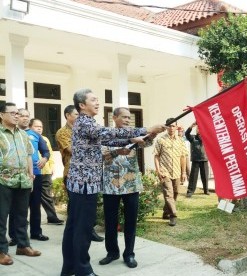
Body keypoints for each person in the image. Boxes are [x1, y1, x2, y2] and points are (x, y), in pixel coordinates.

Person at [60, 89, 165, 276]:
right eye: (93, 100)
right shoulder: (84, 122)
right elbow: (107, 133)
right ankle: (83, 270)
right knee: (82, 229)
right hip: (85, 184)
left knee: (74, 227)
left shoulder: (87, 123)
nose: (98, 102)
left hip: (84, 184)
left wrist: (133, 138)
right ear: (82, 105)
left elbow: (109, 141)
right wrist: (147, 129)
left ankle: (69, 268)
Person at [98, 107, 156, 269]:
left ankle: (129, 254)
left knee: (130, 221)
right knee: (110, 221)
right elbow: (102, 153)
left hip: (131, 185)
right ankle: (112, 252)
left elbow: (147, 143)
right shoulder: (106, 134)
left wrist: (153, 134)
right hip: (111, 185)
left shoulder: (134, 133)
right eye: (123, 117)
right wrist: (125, 145)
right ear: (114, 117)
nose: (127, 120)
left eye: (129, 118)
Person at [55, 105, 104, 242]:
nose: (79, 117)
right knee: (75, 208)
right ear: (67, 115)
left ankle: (89, 231)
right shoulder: (62, 132)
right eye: (76, 114)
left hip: (90, 174)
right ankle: (75, 233)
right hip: (72, 174)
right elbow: (72, 149)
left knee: (89, 207)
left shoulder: (87, 129)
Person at [0, 102, 41, 266]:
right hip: (3, 180)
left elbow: (29, 155)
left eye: (18, 113)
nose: (16, 116)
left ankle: (23, 245)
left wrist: (31, 175)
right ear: (2, 115)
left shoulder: (24, 134)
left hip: (23, 180)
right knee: (1, 217)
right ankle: (2, 251)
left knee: (22, 216)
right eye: (13, 113)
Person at [9, 109, 50, 245]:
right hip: (17, 175)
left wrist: (44, 159)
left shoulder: (35, 135)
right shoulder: (12, 134)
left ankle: (36, 232)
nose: (25, 118)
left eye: (27, 116)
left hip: (35, 174)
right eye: (22, 116)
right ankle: (15, 236)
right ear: (17, 117)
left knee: (35, 204)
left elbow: (45, 151)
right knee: (17, 207)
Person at [154, 118, 188, 227]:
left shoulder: (181, 140)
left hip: (177, 171)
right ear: (166, 127)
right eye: (169, 126)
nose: (171, 128)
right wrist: (158, 170)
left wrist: (183, 172)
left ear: (177, 127)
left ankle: (166, 211)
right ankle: (173, 216)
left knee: (176, 192)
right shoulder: (160, 140)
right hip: (165, 171)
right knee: (169, 193)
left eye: (173, 126)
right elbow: (156, 156)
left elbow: (183, 157)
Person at [29, 118, 64, 225]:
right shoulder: (27, 137)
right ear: (30, 127)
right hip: (33, 172)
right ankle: (23, 219)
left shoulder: (45, 139)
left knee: (47, 196)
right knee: (29, 197)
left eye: (41, 127)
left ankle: (52, 217)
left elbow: (49, 153)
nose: (39, 129)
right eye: (36, 126)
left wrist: (52, 166)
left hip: (46, 171)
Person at [185, 122, 209, 197]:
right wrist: (191, 126)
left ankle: (206, 190)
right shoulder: (192, 138)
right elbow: (186, 134)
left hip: (204, 159)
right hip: (195, 160)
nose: (199, 130)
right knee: (193, 177)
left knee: (205, 176)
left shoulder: (206, 137)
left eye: (200, 128)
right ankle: (190, 191)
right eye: (198, 128)